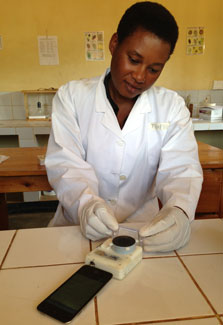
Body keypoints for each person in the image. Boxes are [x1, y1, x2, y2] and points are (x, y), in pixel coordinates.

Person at [45, 1, 203, 252]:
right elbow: (66, 164)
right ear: (114, 43)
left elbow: (181, 169)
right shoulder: (72, 97)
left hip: (142, 231)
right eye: (134, 59)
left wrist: (179, 211)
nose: (140, 77)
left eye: (153, 69)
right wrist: (86, 206)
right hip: (77, 225)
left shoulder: (171, 107)